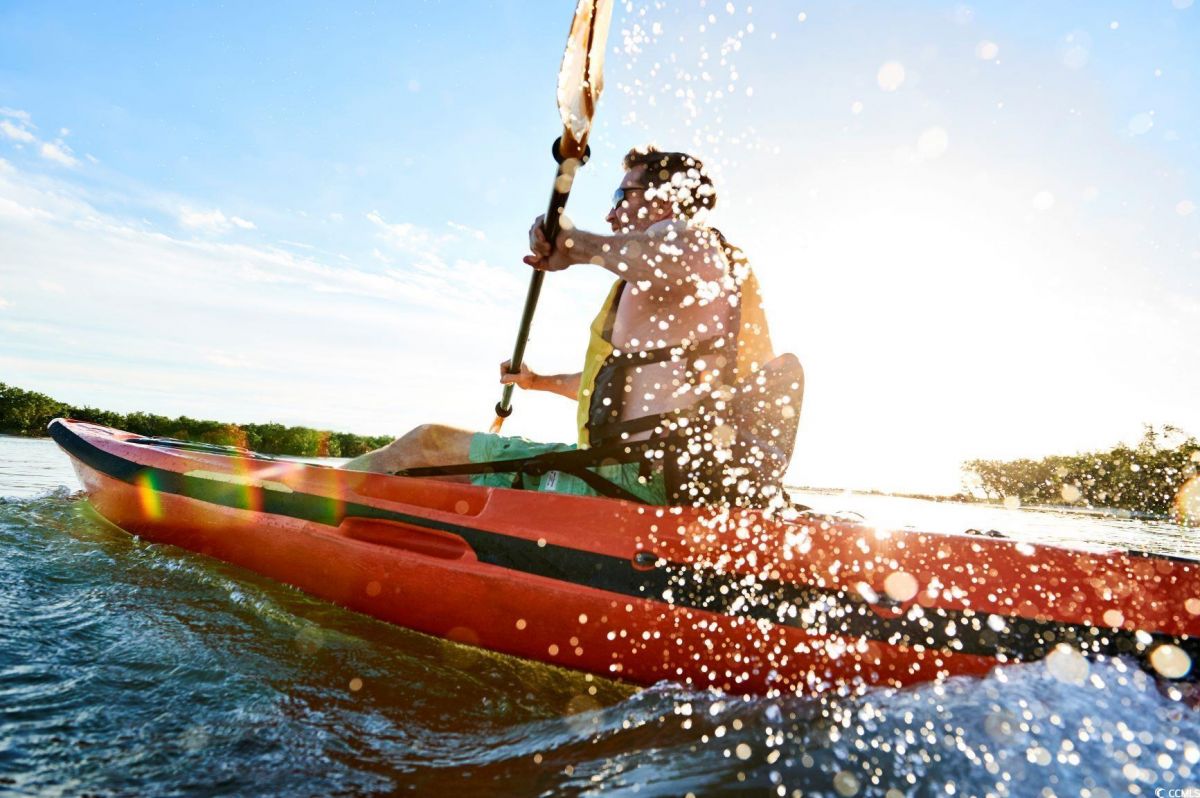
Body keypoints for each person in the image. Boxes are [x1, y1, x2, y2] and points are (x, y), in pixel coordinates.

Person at [343, 146, 793, 506]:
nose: (612, 215)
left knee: (427, 443)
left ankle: (313, 500)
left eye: (621, 197)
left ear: (664, 198)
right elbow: (617, 390)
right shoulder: (675, 295)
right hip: (637, 469)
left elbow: (666, 257)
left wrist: (572, 243)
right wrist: (536, 382)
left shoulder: (687, 238)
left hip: (632, 478)